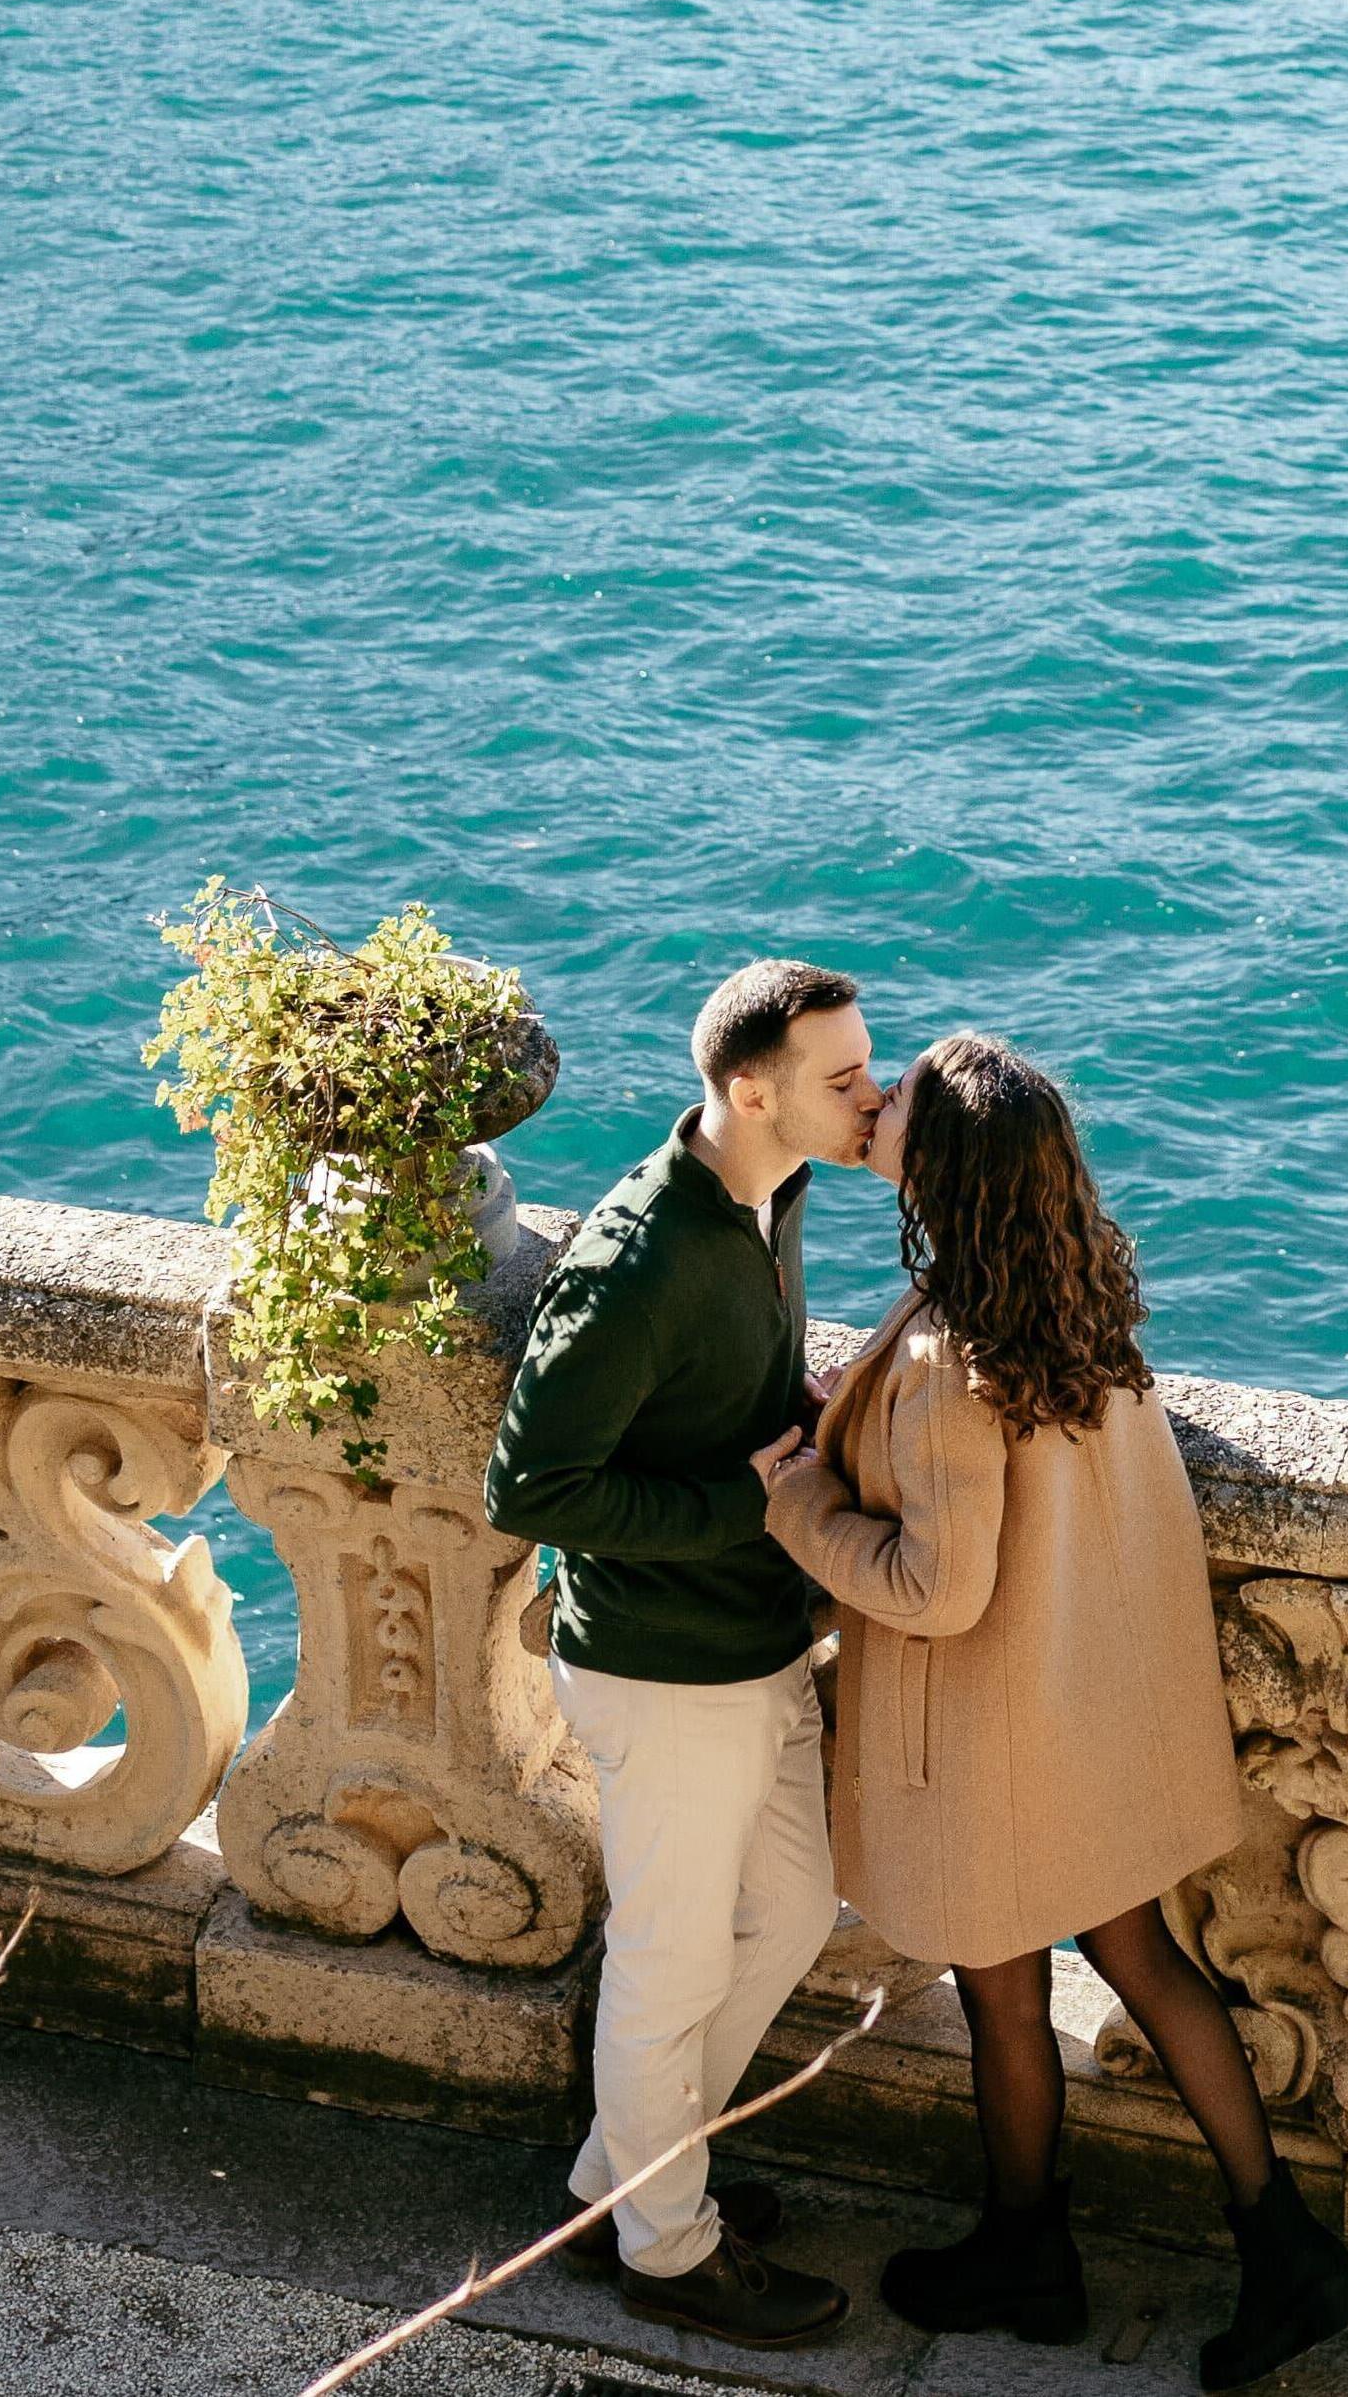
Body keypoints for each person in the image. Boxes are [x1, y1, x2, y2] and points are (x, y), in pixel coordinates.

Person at [754, 1032, 1348, 2388]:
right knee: (1148, 1960)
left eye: (898, 1102)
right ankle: (1283, 2247)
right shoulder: (1074, 1299)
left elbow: (931, 1580)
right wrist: (853, 1417)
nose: (873, 1106)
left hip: (990, 1735)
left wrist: (800, 1492)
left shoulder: (948, 1356)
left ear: (946, 1167)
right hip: (1088, 1707)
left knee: (1005, 1995)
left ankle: (1028, 2250)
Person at [480, 954, 879, 2349]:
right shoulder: (637, 1261)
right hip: (663, 1664)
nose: (869, 1098)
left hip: (752, 1643)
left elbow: (735, 1396)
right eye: (843, 1079)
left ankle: (627, 2182)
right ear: (748, 1088)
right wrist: (753, 1502)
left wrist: (807, 1413)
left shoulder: (773, 1193)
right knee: (665, 1960)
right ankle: (664, 2248)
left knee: (784, 1911)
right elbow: (527, 1488)